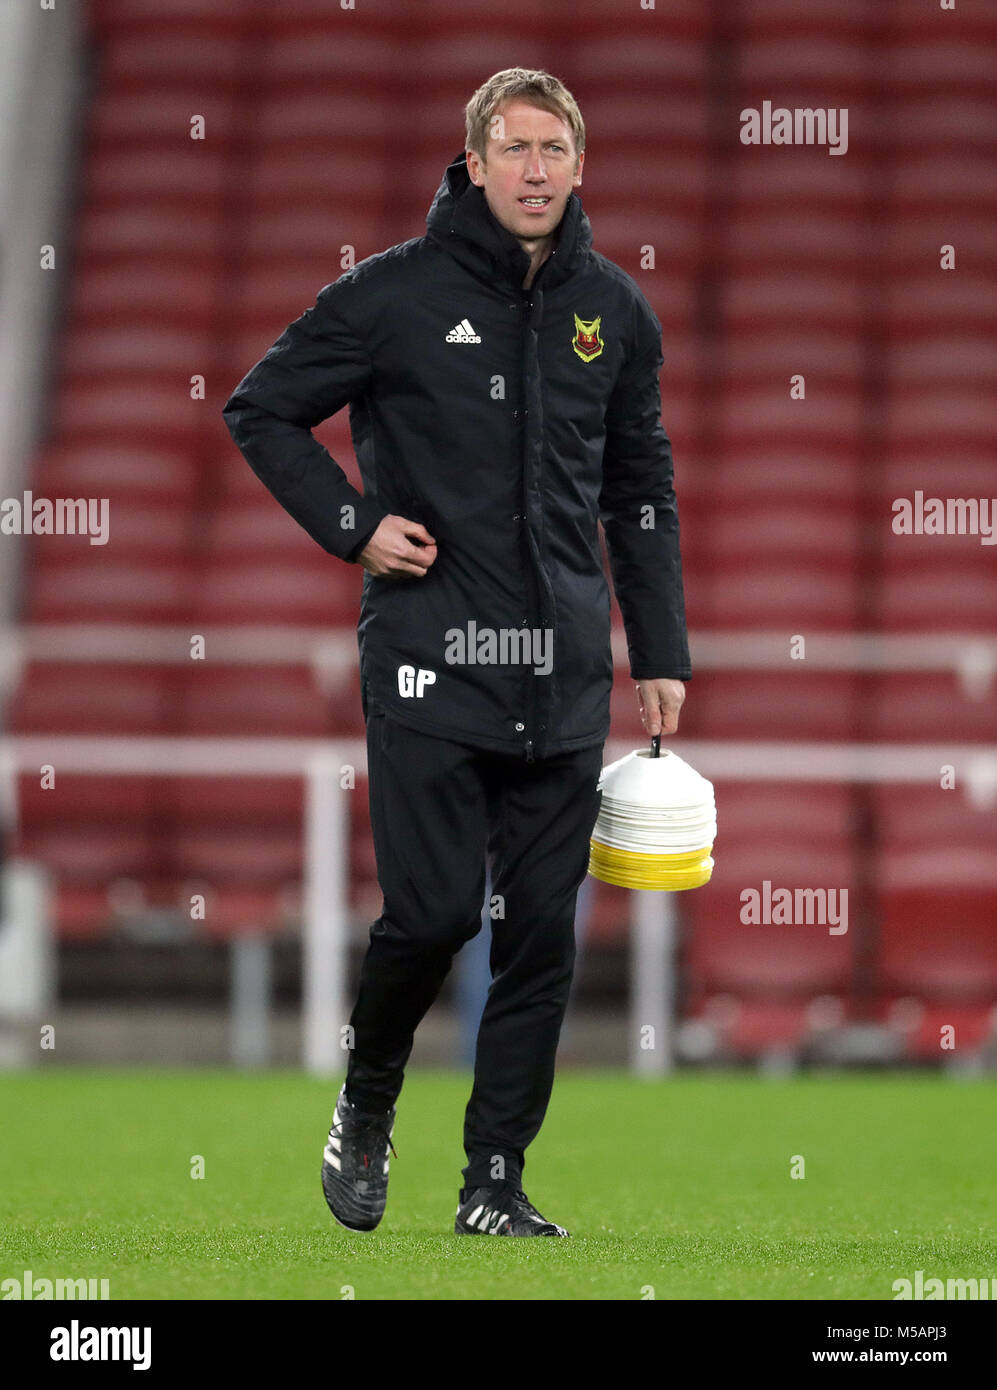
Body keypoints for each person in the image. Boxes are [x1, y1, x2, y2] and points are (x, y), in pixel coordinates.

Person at [222, 68, 691, 1237]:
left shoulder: (616, 313)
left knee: (539, 937)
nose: (535, 170)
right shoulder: (390, 294)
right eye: (514, 148)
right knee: (429, 917)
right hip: (432, 655)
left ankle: (494, 1180)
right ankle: (366, 1103)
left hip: (564, 672)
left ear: (580, 167)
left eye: (555, 150)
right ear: (473, 165)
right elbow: (261, 408)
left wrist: (660, 649)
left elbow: (639, 491)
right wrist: (351, 525)